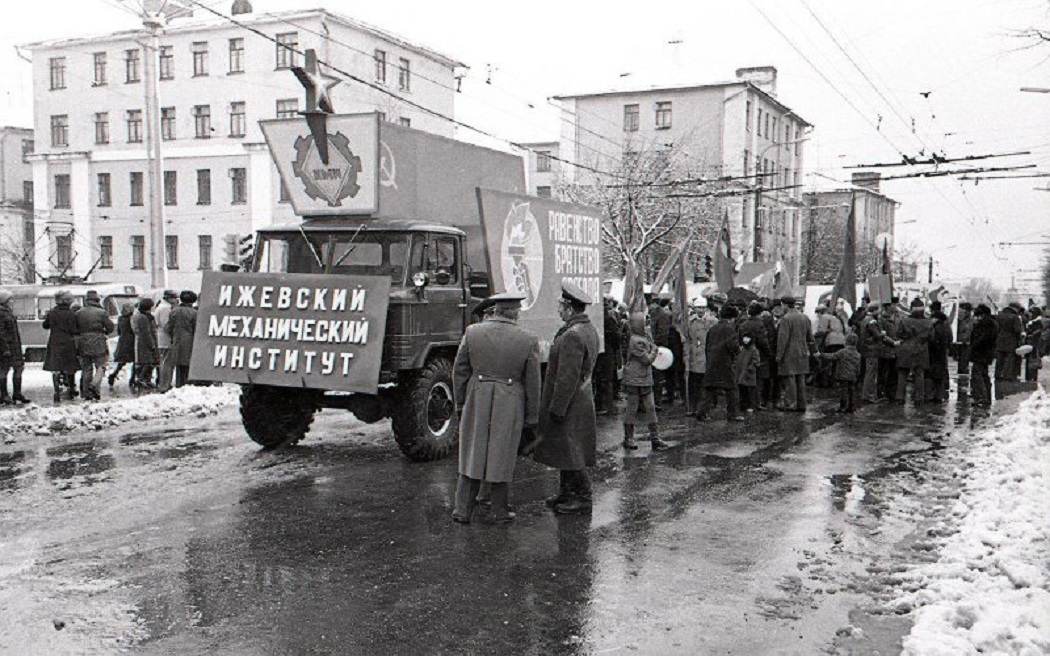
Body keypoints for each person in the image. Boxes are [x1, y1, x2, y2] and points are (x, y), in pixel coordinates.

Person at [451, 291, 541, 525]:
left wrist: (461, 402)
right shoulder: (528, 339)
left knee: (472, 451)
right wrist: (532, 416)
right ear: (514, 313)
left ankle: (462, 510)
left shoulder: (473, 333)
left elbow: (460, 371)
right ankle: (499, 511)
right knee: (502, 454)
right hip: (509, 400)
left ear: (495, 310)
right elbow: (533, 381)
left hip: (476, 396)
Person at [533, 281, 601, 515]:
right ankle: (566, 493)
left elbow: (567, 376)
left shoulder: (573, 335)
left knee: (572, 450)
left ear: (570, 308)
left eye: (561, 306)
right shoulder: (587, 329)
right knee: (567, 447)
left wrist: (558, 407)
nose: (559, 310)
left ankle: (583, 496)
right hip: (580, 398)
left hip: (571, 401)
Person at [620, 311, 668, 451]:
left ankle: (655, 438)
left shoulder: (642, 336)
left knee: (651, 408)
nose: (647, 323)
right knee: (632, 409)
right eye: (644, 321)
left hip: (644, 378)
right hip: (635, 379)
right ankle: (628, 438)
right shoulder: (635, 341)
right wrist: (655, 350)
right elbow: (647, 360)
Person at [697, 305, 743, 421]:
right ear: (731, 318)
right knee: (731, 389)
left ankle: (702, 412)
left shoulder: (713, 328)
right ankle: (733, 414)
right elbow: (732, 346)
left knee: (709, 389)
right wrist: (738, 351)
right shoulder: (729, 329)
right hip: (725, 362)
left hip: (712, 361)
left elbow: (707, 346)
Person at [776, 295, 816, 412]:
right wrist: (814, 351)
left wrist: (779, 355)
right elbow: (810, 337)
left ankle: (790, 404)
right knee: (801, 379)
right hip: (803, 352)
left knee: (790, 379)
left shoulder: (786, 319)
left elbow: (783, 339)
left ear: (784, 305)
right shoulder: (805, 317)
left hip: (789, 353)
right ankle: (801, 404)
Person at [74, 290, 115, 401]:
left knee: (86, 369)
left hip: (83, 342)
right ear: (97, 300)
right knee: (101, 366)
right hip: (98, 341)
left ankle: (86, 393)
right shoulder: (101, 312)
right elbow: (110, 327)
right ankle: (94, 386)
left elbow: (75, 328)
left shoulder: (78, 313)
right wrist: (103, 331)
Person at [43, 290, 80, 402]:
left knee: (55, 368)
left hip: (54, 341)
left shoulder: (52, 312)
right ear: (67, 301)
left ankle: (56, 391)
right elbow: (74, 329)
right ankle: (70, 389)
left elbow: (45, 325)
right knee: (69, 367)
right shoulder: (71, 313)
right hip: (68, 342)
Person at [896, 298, 932, 406]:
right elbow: (931, 337)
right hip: (921, 349)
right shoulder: (928, 322)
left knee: (902, 373)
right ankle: (919, 398)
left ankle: (900, 397)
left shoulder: (904, 320)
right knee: (919, 374)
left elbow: (899, 334)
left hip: (906, 349)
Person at [739, 302, 772, 410]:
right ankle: (756, 404)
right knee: (758, 381)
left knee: (745, 379)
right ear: (760, 312)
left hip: (745, 355)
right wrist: (769, 354)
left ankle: (745, 402)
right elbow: (763, 342)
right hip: (759, 355)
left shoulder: (743, 324)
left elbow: (740, 340)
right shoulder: (760, 325)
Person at [820, 332, 862, 413]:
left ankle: (843, 406)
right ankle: (851, 406)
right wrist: (857, 375)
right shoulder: (858, 354)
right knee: (851, 391)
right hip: (853, 376)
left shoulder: (842, 352)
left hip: (843, 375)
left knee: (843, 390)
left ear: (846, 341)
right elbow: (858, 367)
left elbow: (832, 356)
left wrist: (821, 355)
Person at [686, 299, 715, 415]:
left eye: (703, 308)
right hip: (693, 356)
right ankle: (693, 407)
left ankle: (703, 409)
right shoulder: (689, 322)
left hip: (707, 356)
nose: (701, 310)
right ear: (694, 309)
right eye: (699, 307)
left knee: (705, 384)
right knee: (693, 384)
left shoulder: (712, 321)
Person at [0, 289, 29, 405]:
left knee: (18, 368)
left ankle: (15, 393)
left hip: (13, 346)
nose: (12, 302)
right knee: (4, 370)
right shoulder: (2, 314)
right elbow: (1, 333)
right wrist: (5, 348)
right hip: (7, 347)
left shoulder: (8, 312)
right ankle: (5, 395)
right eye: (10, 300)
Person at [593, 296, 620, 415]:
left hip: (598, 352)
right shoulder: (609, 319)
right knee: (607, 380)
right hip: (607, 353)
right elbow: (616, 338)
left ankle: (601, 405)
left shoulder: (595, 318)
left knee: (599, 380)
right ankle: (607, 406)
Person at [167, 291, 199, 388]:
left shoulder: (174, 311)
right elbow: (196, 329)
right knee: (188, 365)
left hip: (176, 341)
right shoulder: (194, 313)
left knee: (179, 365)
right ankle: (187, 385)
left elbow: (169, 327)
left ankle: (179, 385)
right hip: (190, 341)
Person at [969, 304, 998, 407]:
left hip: (981, 353)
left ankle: (981, 397)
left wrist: (973, 345)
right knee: (984, 374)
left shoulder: (985, 324)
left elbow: (982, 338)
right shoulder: (992, 323)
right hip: (986, 353)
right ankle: (986, 397)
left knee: (978, 374)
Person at [132, 297, 161, 389]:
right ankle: (141, 379)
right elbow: (146, 333)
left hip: (143, 342)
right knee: (148, 362)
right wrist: (152, 345)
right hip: (146, 343)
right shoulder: (144, 318)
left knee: (148, 362)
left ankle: (146, 380)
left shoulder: (140, 315)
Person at [926, 305, 953, 403]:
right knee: (941, 374)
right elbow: (950, 338)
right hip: (942, 353)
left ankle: (932, 396)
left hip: (934, 354)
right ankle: (939, 395)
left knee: (932, 375)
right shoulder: (945, 327)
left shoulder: (935, 328)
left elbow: (932, 341)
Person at [108, 303, 136, 389]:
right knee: (135, 360)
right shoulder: (132, 318)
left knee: (122, 361)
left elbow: (119, 331)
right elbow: (134, 329)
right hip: (132, 340)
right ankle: (132, 379)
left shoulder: (121, 318)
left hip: (123, 340)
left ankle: (114, 374)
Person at [155, 290, 178, 390]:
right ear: (169, 298)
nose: (176, 300)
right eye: (174, 298)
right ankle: (165, 384)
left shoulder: (160, 306)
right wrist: (174, 336)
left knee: (164, 362)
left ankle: (163, 383)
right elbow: (166, 325)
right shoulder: (166, 309)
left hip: (161, 338)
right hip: (166, 339)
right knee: (167, 363)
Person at [994, 304, 1023, 382]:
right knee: (1009, 359)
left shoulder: (999, 316)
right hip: (1011, 341)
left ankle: (998, 374)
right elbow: (1017, 330)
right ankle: (1007, 375)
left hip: (999, 340)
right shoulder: (1015, 317)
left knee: (999, 358)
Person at [736, 334, 760, 413]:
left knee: (750, 391)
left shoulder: (753, 350)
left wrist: (751, 367)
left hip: (749, 374)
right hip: (742, 372)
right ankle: (743, 404)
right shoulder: (742, 349)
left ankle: (752, 405)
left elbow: (756, 361)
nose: (745, 340)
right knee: (743, 390)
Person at [1023, 307, 1043, 382]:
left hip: (1035, 342)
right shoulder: (1032, 320)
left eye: (1032, 312)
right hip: (1030, 341)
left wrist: (1032, 334)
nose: (1031, 314)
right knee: (1029, 359)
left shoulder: (1038, 321)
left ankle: (1032, 376)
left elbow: (1039, 330)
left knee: (1033, 358)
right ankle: (1029, 376)